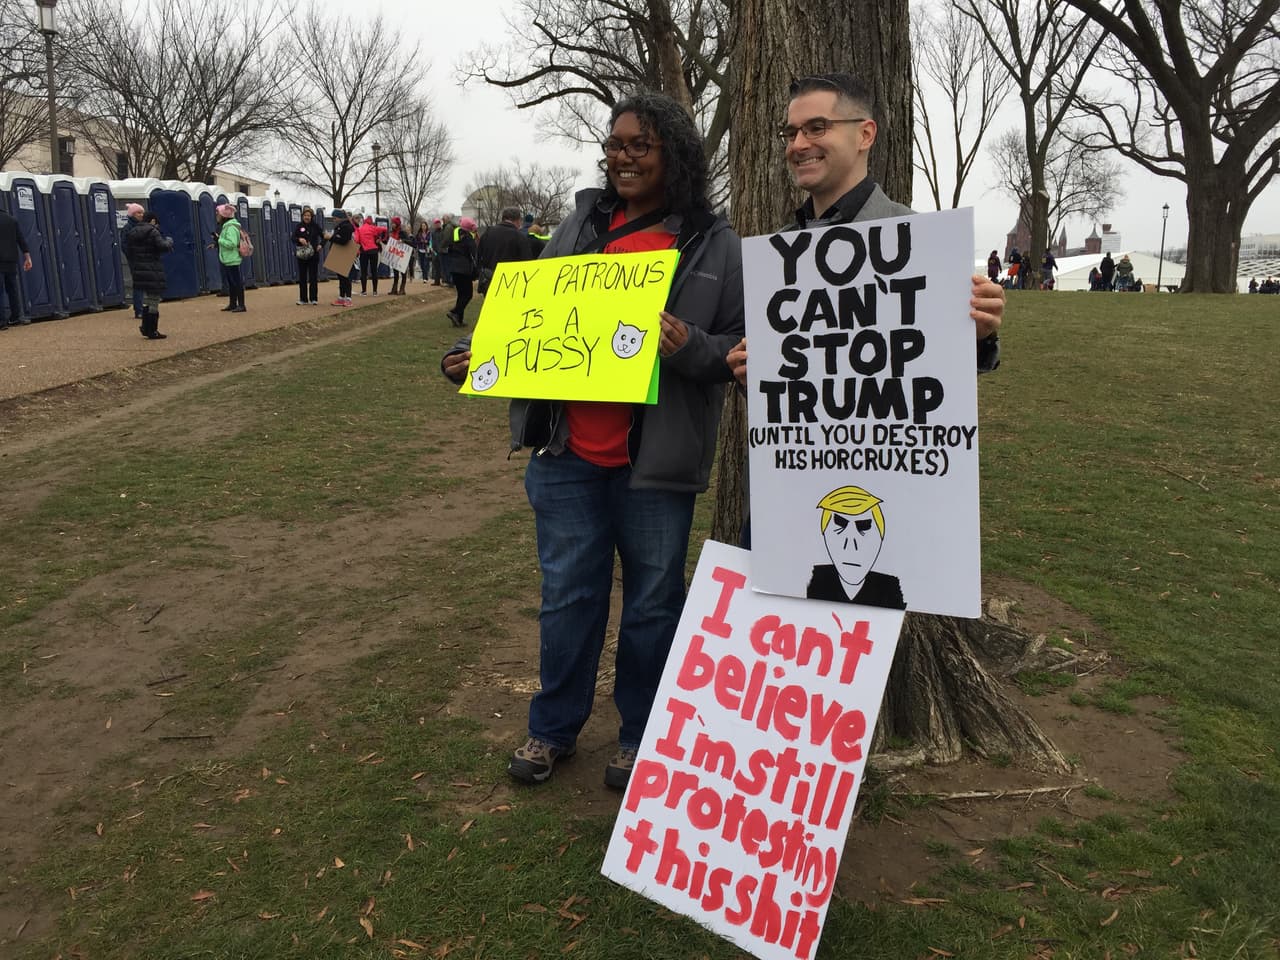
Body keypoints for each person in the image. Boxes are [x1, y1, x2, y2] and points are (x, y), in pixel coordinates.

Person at [441, 91, 745, 789]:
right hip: (568, 454)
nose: (623, 157)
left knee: (651, 606)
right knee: (569, 599)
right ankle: (552, 729)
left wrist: (686, 344)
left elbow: (735, 353)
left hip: (655, 463)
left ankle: (639, 736)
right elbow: (531, 316)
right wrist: (470, 353)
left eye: (640, 145)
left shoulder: (712, 243)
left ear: (675, 152)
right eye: (615, 145)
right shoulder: (581, 221)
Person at [724, 72, 1004, 545]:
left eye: (816, 128)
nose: (798, 144)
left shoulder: (922, 242)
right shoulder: (778, 256)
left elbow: (932, 390)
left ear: (865, 135)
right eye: (790, 133)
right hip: (788, 500)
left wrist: (977, 335)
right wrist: (754, 375)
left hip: (887, 507)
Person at [806, 486, 905, 610]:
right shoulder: (810, 582)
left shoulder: (893, 590)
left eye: (864, 527)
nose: (851, 543)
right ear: (824, 533)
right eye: (839, 526)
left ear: (881, 537)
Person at [129, 211, 174, 338]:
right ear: (153, 221)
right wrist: (169, 241)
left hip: (139, 269)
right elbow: (162, 246)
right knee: (154, 299)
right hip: (152, 268)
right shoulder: (153, 231)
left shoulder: (133, 232)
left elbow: (128, 249)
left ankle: (145, 327)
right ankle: (152, 330)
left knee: (147, 300)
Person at [476, 205, 535, 292]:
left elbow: (479, 255)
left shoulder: (487, 233)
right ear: (518, 220)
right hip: (511, 282)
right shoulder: (519, 237)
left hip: (489, 280)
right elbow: (527, 261)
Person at [0, 205, 33, 330]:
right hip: (11, 260)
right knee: (12, 289)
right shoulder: (12, 219)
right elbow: (21, 239)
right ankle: (16, 317)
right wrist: (27, 257)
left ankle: (1, 321)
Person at [443, 216, 478, 326]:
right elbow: (474, 253)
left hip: (453, 269)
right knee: (468, 294)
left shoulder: (454, 236)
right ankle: (454, 312)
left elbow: (447, 248)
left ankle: (458, 320)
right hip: (464, 270)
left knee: (461, 294)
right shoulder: (468, 238)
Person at [213, 204, 246, 314]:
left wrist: (219, 240)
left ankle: (241, 305)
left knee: (236, 282)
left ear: (224, 215)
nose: (216, 215)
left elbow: (232, 243)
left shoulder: (230, 227)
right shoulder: (227, 226)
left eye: (218, 213)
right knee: (232, 282)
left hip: (232, 258)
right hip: (227, 258)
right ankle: (233, 304)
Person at [120, 202, 146, 321]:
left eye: (142, 213)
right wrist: (133, 256)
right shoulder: (128, 228)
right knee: (139, 283)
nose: (141, 215)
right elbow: (125, 245)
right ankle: (139, 309)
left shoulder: (143, 226)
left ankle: (145, 308)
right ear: (132, 214)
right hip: (135, 260)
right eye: (138, 213)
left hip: (145, 258)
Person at [293, 206, 323, 305]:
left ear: (312, 216)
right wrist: (299, 240)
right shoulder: (299, 226)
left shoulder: (316, 226)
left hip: (313, 255)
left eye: (309, 215)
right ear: (302, 216)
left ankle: (314, 298)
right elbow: (292, 237)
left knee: (313, 277)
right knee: (302, 277)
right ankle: (303, 299)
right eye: (305, 215)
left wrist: (321, 245)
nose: (307, 217)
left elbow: (324, 236)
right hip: (302, 255)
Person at [326, 209, 356, 306]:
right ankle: (341, 297)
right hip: (339, 253)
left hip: (345, 254)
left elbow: (344, 241)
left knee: (345, 277)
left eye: (335, 218)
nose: (334, 220)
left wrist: (330, 238)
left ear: (340, 218)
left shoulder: (347, 227)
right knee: (341, 277)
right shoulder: (340, 227)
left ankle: (348, 298)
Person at [355, 214, 386, 296]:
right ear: (371, 221)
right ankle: (375, 291)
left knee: (364, 271)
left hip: (364, 252)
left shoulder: (359, 229)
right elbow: (384, 229)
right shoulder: (373, 228)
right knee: (374, 271)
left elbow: (357, 240)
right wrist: (381, 239)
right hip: (374, 251)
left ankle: (364, 291)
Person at [387, 217, 410, 295]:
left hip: (402, 255)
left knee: (403, 272)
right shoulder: (391, 232)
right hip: (394, 255)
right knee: (395, 273)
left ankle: (402, 288)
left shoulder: (402, 232)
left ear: (397, 224)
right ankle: (394, 288)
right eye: (392, 223)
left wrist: (403, 241)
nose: (392, 225)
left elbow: (410, 242)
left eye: (393, 223)